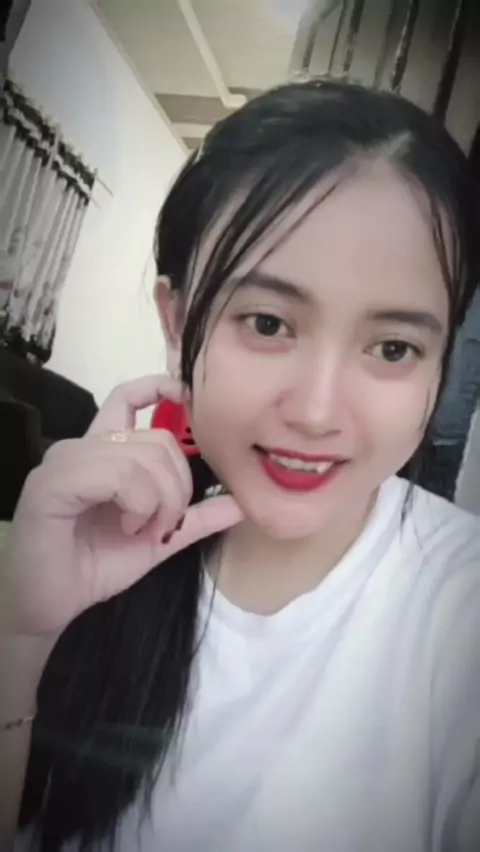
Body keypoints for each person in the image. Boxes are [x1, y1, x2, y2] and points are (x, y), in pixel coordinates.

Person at [1, 79, 480, 852]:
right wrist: (21, 639)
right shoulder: (95, 553)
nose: (317, 412)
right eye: (267, 322)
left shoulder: (461, 612)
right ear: (177, 323)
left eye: (393, 347)